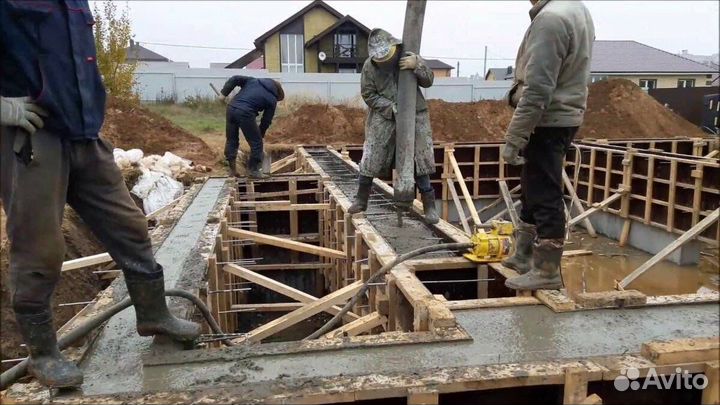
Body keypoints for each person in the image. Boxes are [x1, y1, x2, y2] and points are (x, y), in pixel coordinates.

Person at [0, 0, 200, 388]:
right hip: (32, 134)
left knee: (129, 226)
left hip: (85, 134)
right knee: (39, 247)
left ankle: (153, 313)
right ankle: (42, 354)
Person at [501, 0, 595, 290]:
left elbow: (538, 88)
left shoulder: (550, 19)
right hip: (562, 115)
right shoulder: (575, 9)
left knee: (544, 191)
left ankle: (546, 270)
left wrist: (514, 137)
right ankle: (524, 254)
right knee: (533, 184)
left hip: (548, 117)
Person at [348, 28, 439, 224]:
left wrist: (418, 66)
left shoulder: (408, 56)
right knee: (372, 152)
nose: (385, 63)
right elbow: (368, 94)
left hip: (415, 112)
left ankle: (429, 205)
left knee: (419, 158)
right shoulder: (369, 67)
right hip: (385, 114)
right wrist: (390, 107)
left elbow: (428, 80)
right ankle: (361, 199)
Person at [219, 75, 284, 179]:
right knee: (256, 144)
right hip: (245, 113)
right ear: (277, 93)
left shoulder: (253, 81)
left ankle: (232, 170)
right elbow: (266, 120)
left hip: (231, 108)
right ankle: (253, 171)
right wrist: (260, 134)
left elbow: (235, 78)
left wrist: (224, 93)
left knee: (231, 140)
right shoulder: (272, 99)